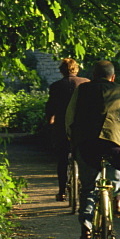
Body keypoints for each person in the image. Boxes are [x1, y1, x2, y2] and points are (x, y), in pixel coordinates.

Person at [65, 59, 120, 239]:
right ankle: (117, 197)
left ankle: (86, 227)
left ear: (93, 76)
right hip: (113, 142)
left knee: (88, 188)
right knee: (119, 154)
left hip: (86, 143)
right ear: (112, 77)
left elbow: (70, 116)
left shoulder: (82, 90)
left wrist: (72, 137)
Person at [43, 57, 89, 201]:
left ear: (62, 71)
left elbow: (50, 107)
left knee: (62, 159)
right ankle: (86, 187)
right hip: (82, 127)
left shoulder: (56, 86)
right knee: (86, 157)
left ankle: (62, 191)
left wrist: (50, 119)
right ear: (76, 69)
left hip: (62, 126)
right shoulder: (86, 83)